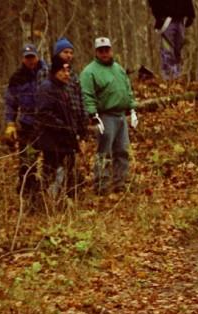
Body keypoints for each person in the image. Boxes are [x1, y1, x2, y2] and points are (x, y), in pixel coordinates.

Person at [81, 37, 138, 193]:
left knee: (122, 151)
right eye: (101, 51)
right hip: (105, 116)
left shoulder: (118, 68)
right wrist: (93, 115)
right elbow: (87, 95)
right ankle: (101, 185)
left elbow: (128, 89)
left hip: (121, 116)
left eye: (107, 50)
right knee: (104, 152)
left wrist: (132, 109)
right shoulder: (89, 72)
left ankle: (120, 182)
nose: (105, 53)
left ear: (111, 50)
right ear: (96, 52)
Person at [4, 43, 47, 197]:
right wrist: (10, 123)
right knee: (27, 161)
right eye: (27, 58)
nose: (30, 61)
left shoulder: (47, 72)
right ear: (23, 59)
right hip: (27, 124)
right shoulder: (17, 78)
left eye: (33, 57)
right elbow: (10, 102)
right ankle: (28, 193)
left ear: (38, 56)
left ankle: (49, 192)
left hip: (48, 123)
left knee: (50, 159)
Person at [36, 57, 80, 203]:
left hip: (64, 141)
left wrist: (72, 132)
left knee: (66, 172)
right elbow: (44, 114)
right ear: (55, 71)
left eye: (68, 70)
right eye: (63, 70)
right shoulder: (46, 88)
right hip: (52, 142)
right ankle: (47, 203)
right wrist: (62, 127)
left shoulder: (63, 88)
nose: (67, 74)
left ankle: (61, 202)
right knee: (52, 173)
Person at [147, 0, 195, 81]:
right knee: (167, 50)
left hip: (180, 18)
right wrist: (158, 15)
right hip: (166, 20)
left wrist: (190, 13)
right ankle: (169, 78)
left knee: (178, 50)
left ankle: (177, 76)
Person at [52, 37, 88, 141]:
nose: (69, 55)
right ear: (57, 53)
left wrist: (84, 120)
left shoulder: (74, 75)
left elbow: (81, 98)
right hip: (57, 127)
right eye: (65, 52)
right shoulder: (47, 72)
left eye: (71, 53)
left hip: (74, 125)